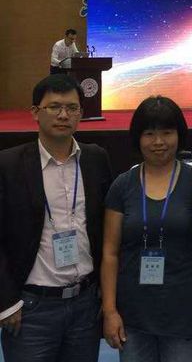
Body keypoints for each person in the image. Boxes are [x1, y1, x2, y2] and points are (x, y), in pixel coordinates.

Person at [0, 74, 112, 362]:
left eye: (72, 108)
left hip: (85, 305)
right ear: (35, 112)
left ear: (81, 114)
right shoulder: (8, 164)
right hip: (31, 308)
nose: (64, 115)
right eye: (54, 107)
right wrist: (7, 302)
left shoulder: (95, 159)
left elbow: (106, 229)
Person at [101, 96, 192, 362]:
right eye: (149, 134)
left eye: (167, 132)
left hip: (185, 312)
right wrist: (110, 311)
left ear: (179, 135)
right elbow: (110, 253)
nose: (159, 142)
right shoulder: (122, 186)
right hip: (134, 313)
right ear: (138, 138)